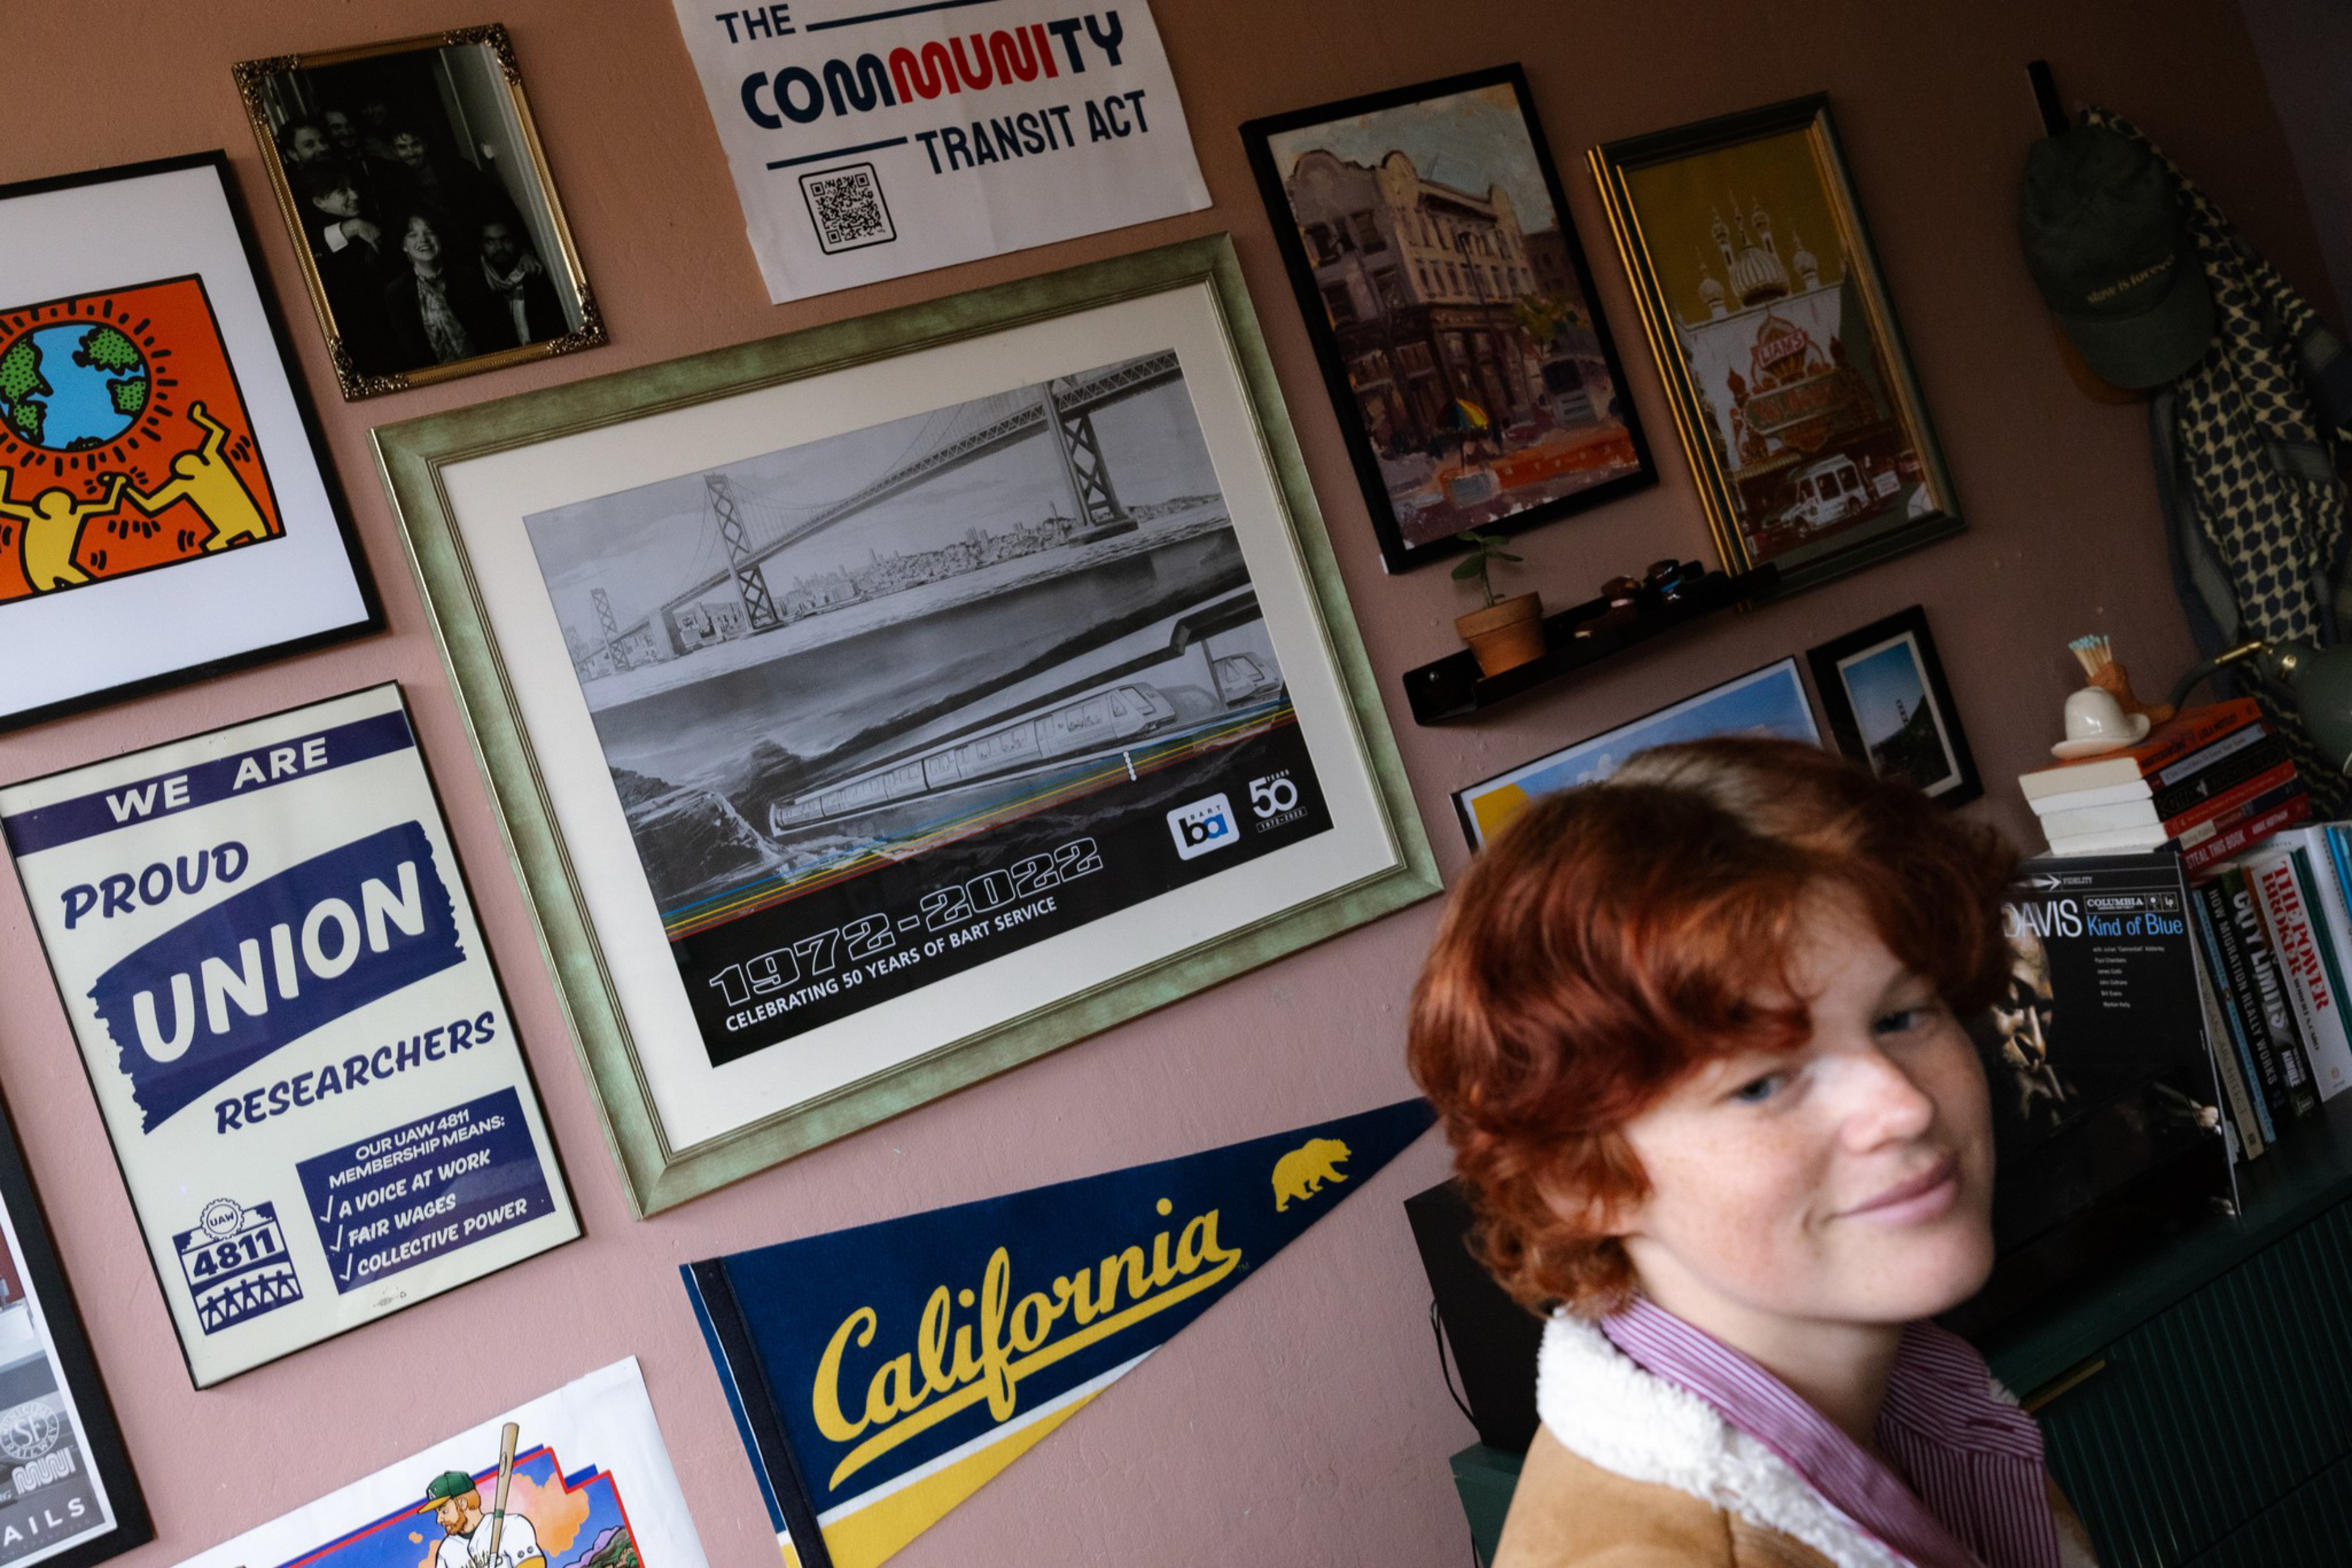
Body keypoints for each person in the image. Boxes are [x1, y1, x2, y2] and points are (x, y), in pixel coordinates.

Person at [1407, 738, 2100, 1567]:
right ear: (1577, 1180)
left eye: (1901, 1016)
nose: (1902, 1105)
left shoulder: (1906, 1402)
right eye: (1762, 1084)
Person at [380, 210, 506, 369]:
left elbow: (493, 337)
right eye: (413, 235)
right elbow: (412, 352)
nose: (423, 239)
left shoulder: (471, 278)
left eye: (429, 232)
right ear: (404, 246)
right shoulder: (396, 293)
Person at [422, 1471, 544, 1568]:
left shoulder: (510, 1526)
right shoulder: (447, 1550)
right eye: (438, 1513)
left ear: (463, 1504)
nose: (439, 1520)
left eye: (445, 1511)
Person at [477, 219, 566, 347]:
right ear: (481, 246)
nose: (499, 248)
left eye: (505, 240)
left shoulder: (532, 275)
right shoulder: (478, 284)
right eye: (490, 242)